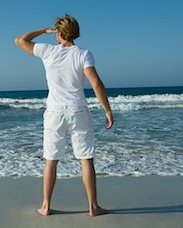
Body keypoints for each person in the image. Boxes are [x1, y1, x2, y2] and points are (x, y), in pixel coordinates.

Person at [14, 14, 114, 217]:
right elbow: (95, 83)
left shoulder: (48, 51)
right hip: (78, 110)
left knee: (51, 159)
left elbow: (20, 40)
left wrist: (43, 31)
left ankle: (45, 206)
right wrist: (107, 110)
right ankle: (93, 207)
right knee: (86, 159)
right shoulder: (83, 54)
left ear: (59, 32)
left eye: (56, 32)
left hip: (55, 112)